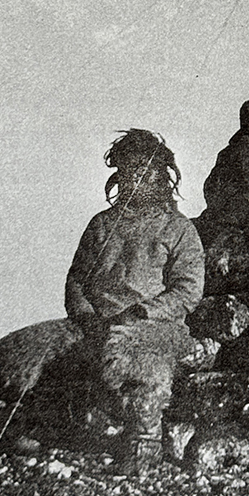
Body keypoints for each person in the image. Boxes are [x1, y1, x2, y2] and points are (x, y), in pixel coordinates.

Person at [64, 129, 205, 476]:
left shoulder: (178, 228)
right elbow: (76, 281)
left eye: (144, 170)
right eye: (128, 169)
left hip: (153, 327)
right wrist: (86, 316)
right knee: (38, 355)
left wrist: (144, 311)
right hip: (97, 322)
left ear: (161, 175)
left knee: (141, 363)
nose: (135, 177)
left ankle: (145, 445)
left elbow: (188, 290)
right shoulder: (101, 226)